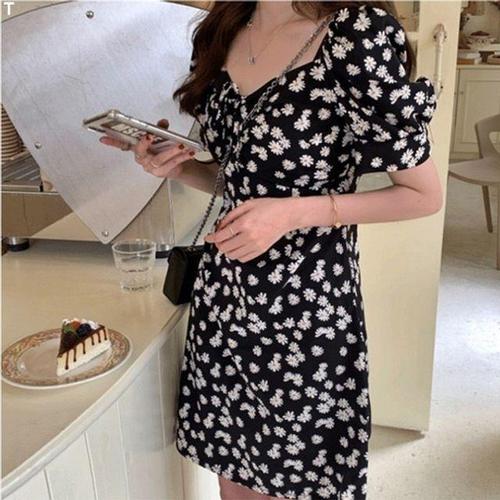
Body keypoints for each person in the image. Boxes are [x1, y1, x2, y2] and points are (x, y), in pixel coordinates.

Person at [100, 1, 442, 498]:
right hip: (225, 299)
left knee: (295, 480)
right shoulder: (223, 28)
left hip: (305, 309)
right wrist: (178, 168)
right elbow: (242, 181)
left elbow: (423, 195)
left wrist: (290, 214)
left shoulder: (355, 33)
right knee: (234, 477)